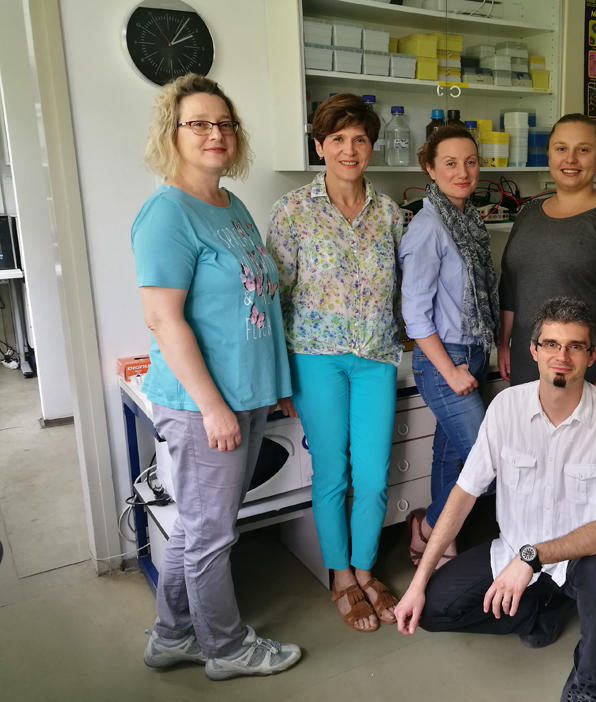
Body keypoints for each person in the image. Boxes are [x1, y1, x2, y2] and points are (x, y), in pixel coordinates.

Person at [132, 73, 300, 680]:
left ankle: (171, 636)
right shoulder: (167, 214)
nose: (215, 133)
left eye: (224, 123)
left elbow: (258, 307)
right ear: (172, 133)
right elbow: (163, 319)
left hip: (246, 395)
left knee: (198, 527)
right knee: (211, 535)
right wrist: (212, 406)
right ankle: (226, 650)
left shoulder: (232, 206)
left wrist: (276, 385)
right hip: (203, 404)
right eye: (199, 123)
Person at [396, 297, 596, 702]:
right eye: (551, 344)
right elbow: (464, 492)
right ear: (533, 350)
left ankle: (590, 669)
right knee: (434, 608)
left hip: (578, 559)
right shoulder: (506, 407)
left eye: (575, 346)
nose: (562, 357)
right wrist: (417, 583)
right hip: (512, 552)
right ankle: (539, 612)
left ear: (593, 355)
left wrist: (534, 557)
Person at [268, 93, 404, 633]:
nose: (350, 149)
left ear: (371, 146)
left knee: (371, 476)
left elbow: (401, 291)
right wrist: (280, 377)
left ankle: (366, 570)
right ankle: (341, 577)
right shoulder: (293, 211)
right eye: (338, 139)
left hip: (375, 358)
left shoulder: (390, 213)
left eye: (360, 139)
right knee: (332, 473)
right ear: (319, 145)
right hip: (315, 359)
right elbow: (276, 298)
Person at [498, 113, 596, 411]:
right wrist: (503, 343)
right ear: (549, 154)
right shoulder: (528, 214)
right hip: (529, 366)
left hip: (591, 370)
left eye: (583, 149)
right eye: (561, 148)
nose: (571, 159)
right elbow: (510, 285)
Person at [397, 125, 498, 569]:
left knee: (450, 455)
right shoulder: (428, 227)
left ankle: (436, 540)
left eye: (470, 162)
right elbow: (416, 315)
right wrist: (451, 371)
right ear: (430, 169)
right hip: (445, 360)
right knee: (486, 461)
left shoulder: (469, 221)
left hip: (472, 352)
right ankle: (432, 527)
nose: (463, 172)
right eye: (451, 163)